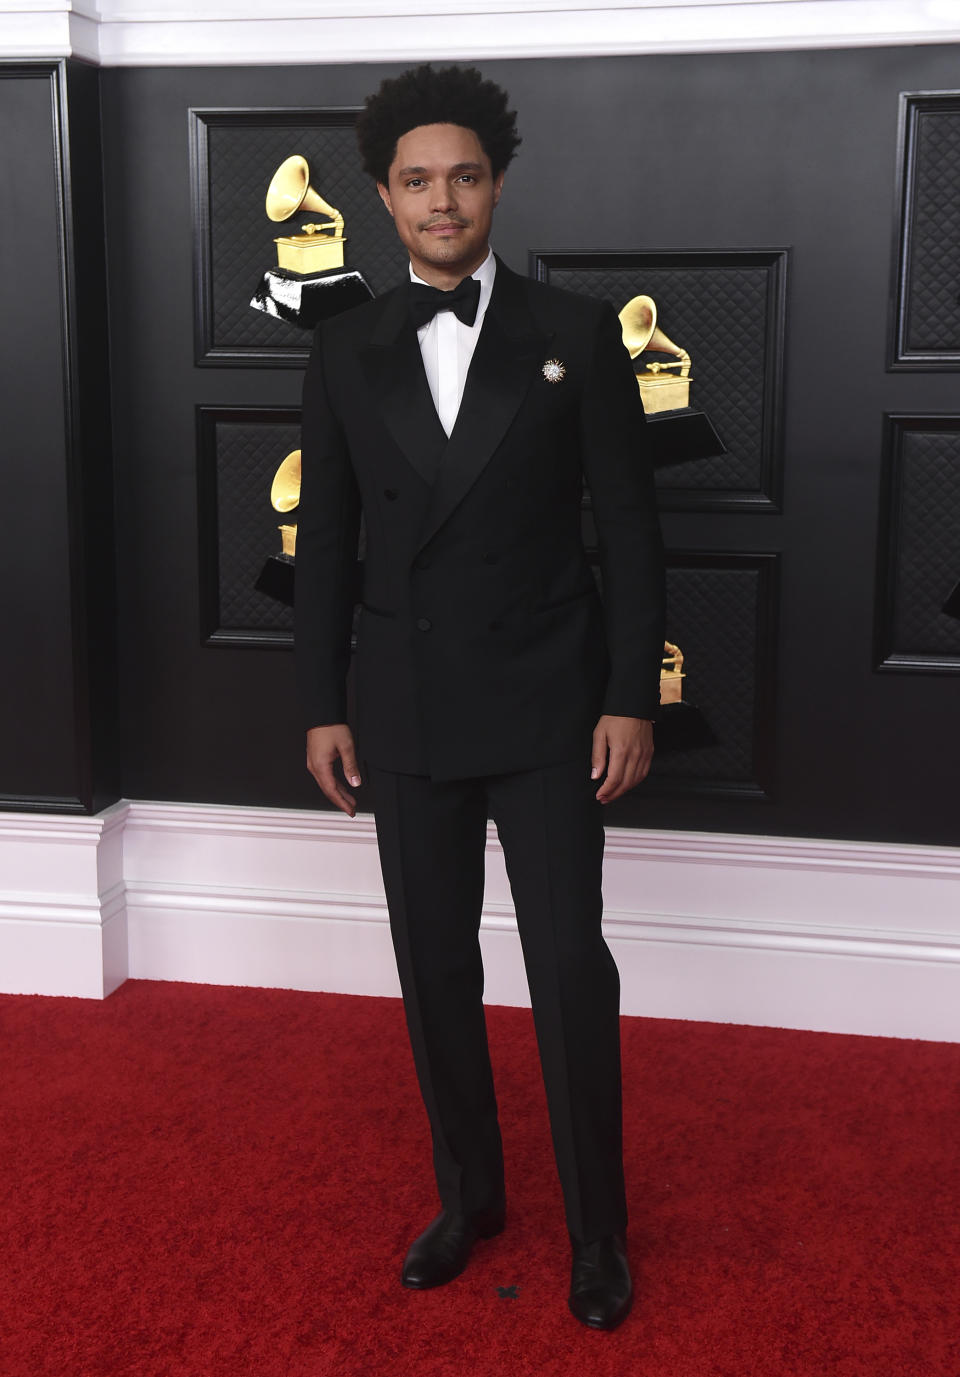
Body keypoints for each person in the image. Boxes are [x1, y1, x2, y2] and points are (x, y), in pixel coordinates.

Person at [295, 63, 665, 1331]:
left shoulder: (575, 333)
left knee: (568, 969)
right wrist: (323, 704)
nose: (441, 200)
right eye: (415, 181)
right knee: (433, 966)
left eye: (462, 175)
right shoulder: (344, 345)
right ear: (384, 202)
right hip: (400, 702)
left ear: (496, 183)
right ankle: (471, 1200)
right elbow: (328, 541)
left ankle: (599, 1233)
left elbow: (630, 526)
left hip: (553, 701)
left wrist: (630, 694)